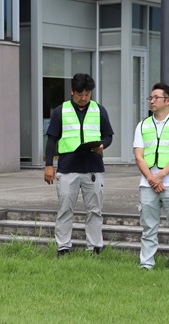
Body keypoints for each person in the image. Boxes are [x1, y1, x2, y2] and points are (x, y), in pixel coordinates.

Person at [44, 73, 114, 257]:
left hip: (93, 168)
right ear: (72, 92)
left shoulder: (99, 110)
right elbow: (52, 140)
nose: (84, 98)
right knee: (65, 208)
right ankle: (63, 247)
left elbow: (108, 136)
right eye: (80, 94)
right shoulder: (61, 111)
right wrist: (49, 165)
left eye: (87, 94)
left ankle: (95, 247)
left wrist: (102, 146)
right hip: (67, 168)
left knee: (94, 210)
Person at [133, 82, 169, 273]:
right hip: (148, 184)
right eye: (150, 98)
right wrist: (152, 179)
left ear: (168, 100)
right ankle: (146, 264)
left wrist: (160, 176)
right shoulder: (142, 125)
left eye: (155, 98)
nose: (151, 101)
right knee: (148, 227)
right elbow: (139, 156)